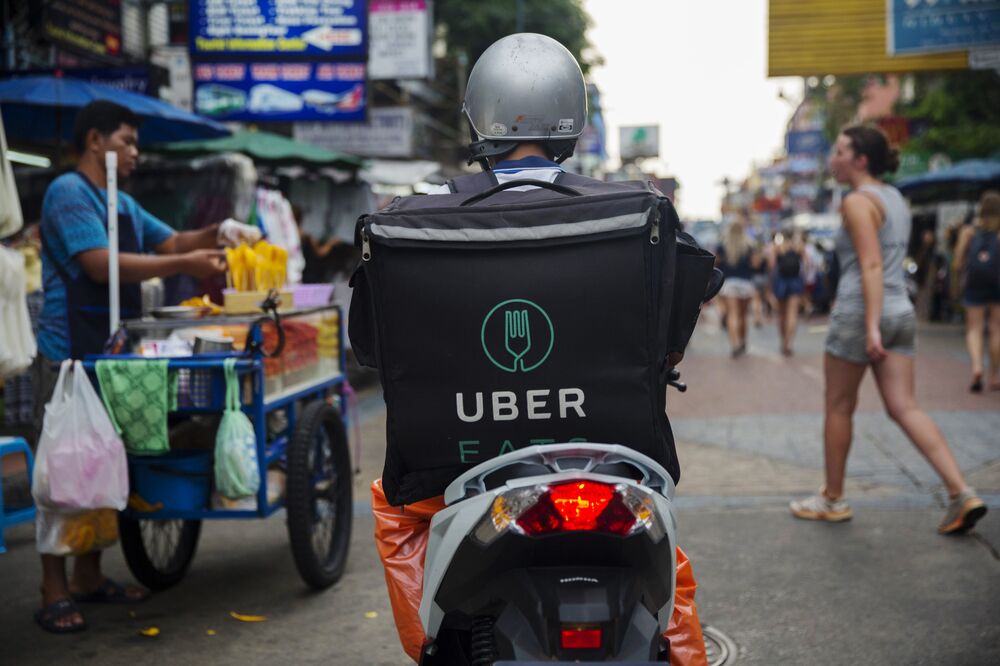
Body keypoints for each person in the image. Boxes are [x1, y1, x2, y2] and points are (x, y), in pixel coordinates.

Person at [370, 34, 707, 665]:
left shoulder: (414, 218)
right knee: (670, 561)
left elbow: (373, 347)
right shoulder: (637, 210)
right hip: (615, 457)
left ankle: (432, 647)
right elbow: (674, 339)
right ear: (572, 123)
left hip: (450, 469)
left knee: (393, 508)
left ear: (478, 121)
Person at [32, 100, 259, 633]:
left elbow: (175, 239)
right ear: (95, 141)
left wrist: (221, 230)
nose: (135, 152)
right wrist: (184, 263)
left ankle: (89, 576)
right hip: (68, 354)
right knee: (63, 466)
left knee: (103, 463)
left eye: (135, 144)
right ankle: (53, 587)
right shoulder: (68, 193)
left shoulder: (123, 204)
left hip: (110, 351)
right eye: (126, 142)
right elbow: (99, 264)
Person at [790, 125, 987, 535]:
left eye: (841, 150)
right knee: (906, 407)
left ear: (860, 160)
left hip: (864, 314)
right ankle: (961, 491)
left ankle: (832, 498)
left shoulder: (858, 202)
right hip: (902, 310)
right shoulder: (895, 198)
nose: (833, 157)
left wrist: (870, 326)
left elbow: (871, 264)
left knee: (839, 406)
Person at [952, 190, 1000, 392]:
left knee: (975, 329)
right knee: (997, 329)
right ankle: (995, 376)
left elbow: (956, 263)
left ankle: (977, 367)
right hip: (998, 284)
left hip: (975, 284)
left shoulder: (968, 231)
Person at [716, 221, 756, 357]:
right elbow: (755, 265)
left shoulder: (723, 246)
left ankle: (734, 344)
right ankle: (743, 342)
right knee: (743, 316)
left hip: (729, 283)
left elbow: (716, 263)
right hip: (745, 283)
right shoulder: (749, 246)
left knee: (732, 314)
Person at [770, 228, 807, 355]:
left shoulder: (778, 247)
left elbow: (772, 265)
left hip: (781, 282)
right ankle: (789, 342)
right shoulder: (799, 247)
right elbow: (807, 264)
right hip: (795, 281)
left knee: (781, 315)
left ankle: (783, 341)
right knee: (793, 314)